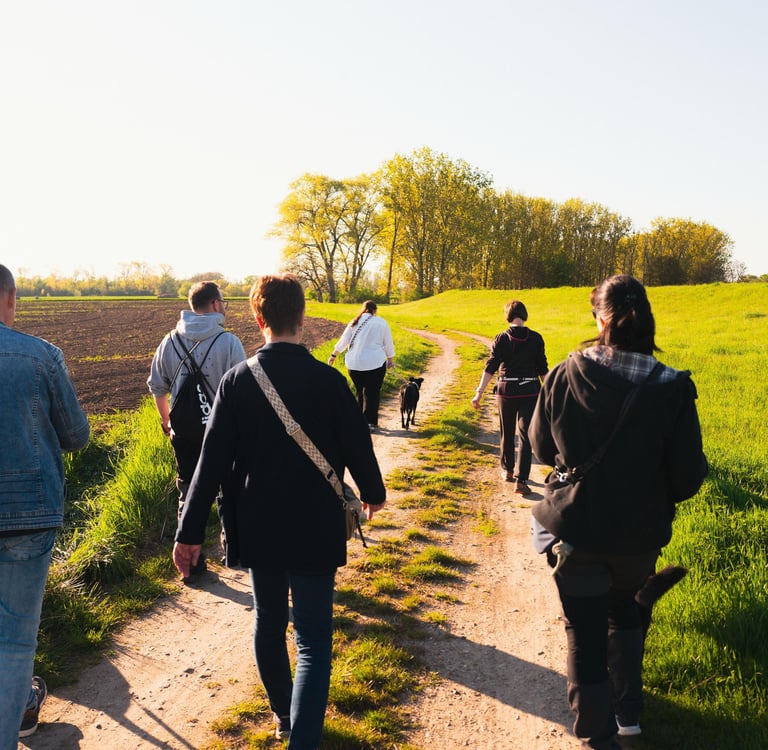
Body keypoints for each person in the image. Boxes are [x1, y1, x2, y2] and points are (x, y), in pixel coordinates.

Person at [173, 273, 386, 749]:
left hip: (257, 526)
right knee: (312, 639)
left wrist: (188, 533)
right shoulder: (330, 382)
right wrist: (373, 491)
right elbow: (358, 445)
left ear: (258, 317)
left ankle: (284, 717)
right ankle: (302, 739)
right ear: (302, 317)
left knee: (269, 624)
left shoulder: (237, 382)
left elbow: (209, 465)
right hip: (314, 526)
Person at [529, 275, 708, 750]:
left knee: (585, 635)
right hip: (638, 541)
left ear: (599, 319)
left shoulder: (566, 373)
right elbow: (689, 477)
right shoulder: (672, 387)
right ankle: (630, 720)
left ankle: (598, 736)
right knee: (624, 610)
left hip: (578, 535)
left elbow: (542, 447)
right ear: (646, 320)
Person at [0, 264, 90, 747]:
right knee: (14, 641)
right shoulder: (40, 357)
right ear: (10, 298)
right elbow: (76, 435)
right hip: (28, 512)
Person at [147, 281, 246, 577]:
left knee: (188, 490)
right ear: (215, 304)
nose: (225, 306)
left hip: (184, 431)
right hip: (223, 433)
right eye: (224, 301)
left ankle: (190, 563)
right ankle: (232, 551)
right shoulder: (229, 343)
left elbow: (157, 387)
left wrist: (167, 421)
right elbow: (242, 394)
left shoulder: (169, 341)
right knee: (229, 490)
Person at [471, 300, 548, 495]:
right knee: (526, 436)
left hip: (506, 391)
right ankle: (521, 481)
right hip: (530, 391)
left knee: (507, 431)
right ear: (524, 315)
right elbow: (543, 370)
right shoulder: (536, 338)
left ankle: (507, 470)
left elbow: (490, 367)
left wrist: (479, 392)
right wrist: (550, 394)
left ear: (508, 316)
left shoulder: (501, 338)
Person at [328, 300, 394, 431]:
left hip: (353, 365)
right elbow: (388, 343)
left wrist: (334, 355)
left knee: (360, 392)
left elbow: (344, 340)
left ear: (364, 309)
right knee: (372, 393)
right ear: (375, 310)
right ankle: (370, 422)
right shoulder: (381, 322)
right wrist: (390, 358)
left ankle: (358, 422)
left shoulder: (354, 321)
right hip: (374, 363)